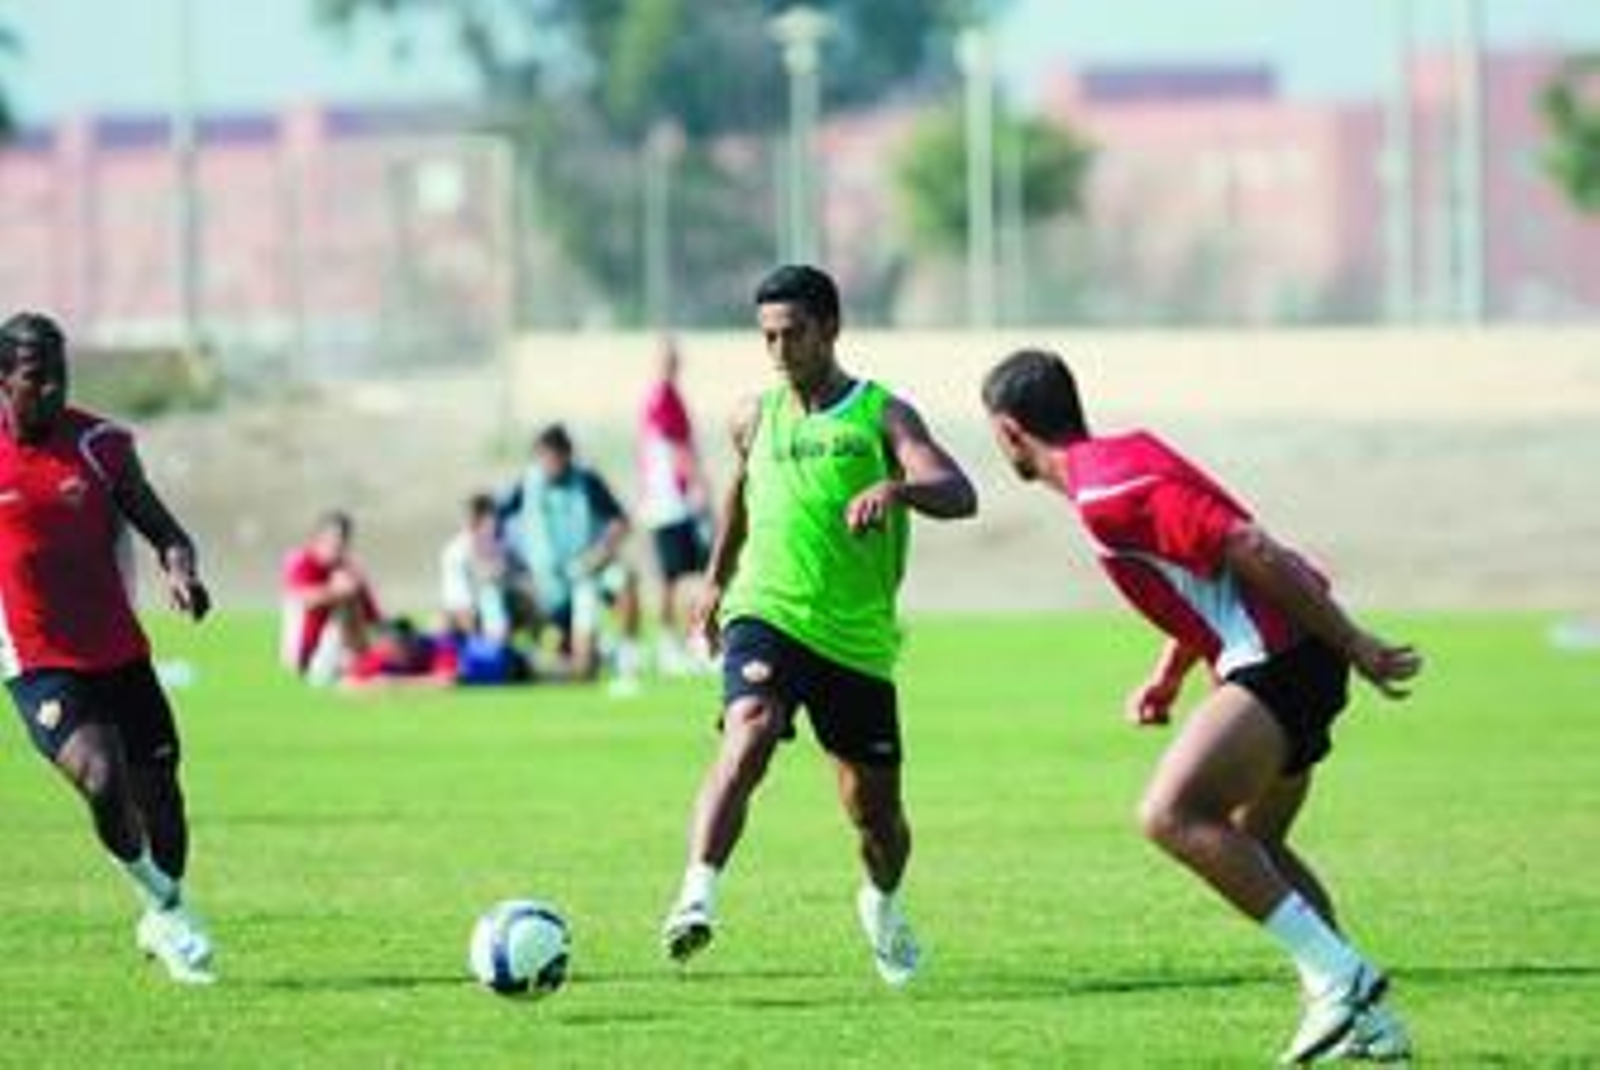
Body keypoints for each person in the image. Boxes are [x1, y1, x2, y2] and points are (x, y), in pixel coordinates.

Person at [980, 348, 1418, 1063]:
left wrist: (1357, 643)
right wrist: (1170, 673)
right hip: (1293, 655)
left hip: (1285, 658)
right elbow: (1203, 568)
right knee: (1259, 843)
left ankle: (1339, 979)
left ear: (1007, 431)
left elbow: (1245, 544)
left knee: (1171, 814)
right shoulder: (1120, 458)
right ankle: (1369, 1028)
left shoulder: (1106, 492)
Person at [658, 265, 978, 986]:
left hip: (857, 640)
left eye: (793, 332)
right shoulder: (754, 415)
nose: (778, 348)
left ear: (831, 329)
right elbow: (741, 490)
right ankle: (695, 896)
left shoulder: (881, 414)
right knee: (751, 728)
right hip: (766, 610)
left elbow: (959, 492)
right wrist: (716, 578)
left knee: (875, 819)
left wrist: (897, 487)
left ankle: (883, 905)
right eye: (767, 334)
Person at [0, 312, 216, 984]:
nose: (54, 389)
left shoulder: (101, 445)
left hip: (121, 653)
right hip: (38, 661)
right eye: (37, 377)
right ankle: (167, 907)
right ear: (4, 379)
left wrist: (181, 572)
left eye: (61, 375)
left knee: (164, 800)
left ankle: (162, 909)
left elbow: (166, 530)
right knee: (101, 777)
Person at [500, 423, 643, 690]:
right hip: (544, 587)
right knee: (579, 671)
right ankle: (521, 663)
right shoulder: (527, 484)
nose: (547, 464)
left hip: (585, 578)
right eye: (542, 457)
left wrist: (600, 554)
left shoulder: (587, 480)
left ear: (567, 455)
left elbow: (622, 522)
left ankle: (627, 662)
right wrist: (513, 566)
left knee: (626, 578)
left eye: (552, 457)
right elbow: (493, 522)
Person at [637, 337, 714, 675]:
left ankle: (681, 643)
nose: (672, 364)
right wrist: (700, 486)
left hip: (665, 502)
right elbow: (677, 448)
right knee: (686, 577)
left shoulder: (660, 396)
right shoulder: (665, 397)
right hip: (672, 503)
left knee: (677, 577)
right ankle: (682, 644)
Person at [280, 510, 381, 685]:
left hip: (341, 648)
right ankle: (340, 667)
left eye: (342, 539)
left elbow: (374, 619)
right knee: (343, 601)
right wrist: (336, 591)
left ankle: (363, 663)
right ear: (319, 537)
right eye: (332, 538)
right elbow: (303, 598)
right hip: (304, 651)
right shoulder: (303, 562)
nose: (337, 544)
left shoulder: (348, 570)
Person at [439, 491, 537, 644]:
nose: (496, 523)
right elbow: (458, 604)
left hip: (496, 616)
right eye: (490, 518)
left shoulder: (504, 546)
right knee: (490, 593)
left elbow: (526, 576)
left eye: (496, 517)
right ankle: (494, 648)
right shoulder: (456, 551)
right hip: (467, 618)